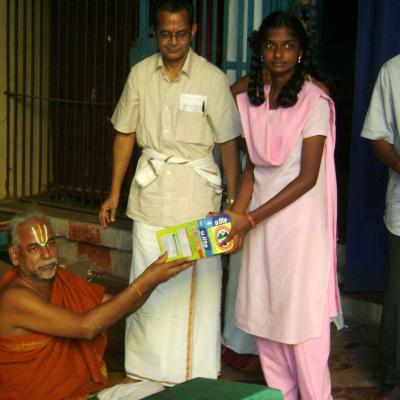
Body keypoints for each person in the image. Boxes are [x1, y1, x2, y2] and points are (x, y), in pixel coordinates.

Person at [98, 0, 241, 385]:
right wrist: (114, 193)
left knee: (200, 286)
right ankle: (146, 370)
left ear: (193, 31)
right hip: (150, 197)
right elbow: (124, 134)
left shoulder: (211, 79)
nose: (173, 41)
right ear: (155, 34)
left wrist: (231, 205)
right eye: (165, 34)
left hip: (198, 201)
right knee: (148, 280)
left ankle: (194, 372)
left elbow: (229, 145)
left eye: (180, 33)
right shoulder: (140, 74)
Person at [223, 11, 341, 399]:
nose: (279, 53)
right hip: (261, 223)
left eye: (288, 45)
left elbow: (307, 178)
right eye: (270, 45)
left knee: (301, 323)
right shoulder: (253, 97)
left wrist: (249, 218)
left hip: (300, 226)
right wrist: (237, 215)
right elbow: (253, 168)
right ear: (259, 50)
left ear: (302, 51)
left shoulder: (315, 101)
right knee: (267, 320)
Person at [0, 213, 193, 400]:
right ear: (15, 256)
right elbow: (87, 327)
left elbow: (121, 307)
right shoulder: (14, 298)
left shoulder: (62, 280)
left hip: (77, 393)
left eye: (50, 244)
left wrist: (155, 279)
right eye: (34, 248)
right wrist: (146, 279)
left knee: (153, 388)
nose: (46, 255)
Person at [361, 54, 400, 400]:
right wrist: (399, 164)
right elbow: (377, 135)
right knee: (399, 298)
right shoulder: (393, 70)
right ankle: (395, 379)